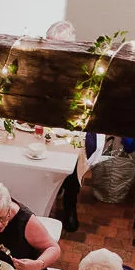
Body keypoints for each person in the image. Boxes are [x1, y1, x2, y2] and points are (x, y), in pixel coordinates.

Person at [45, 20, 82, 232]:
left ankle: (69, 205)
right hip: (45, 122)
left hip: (71, 127)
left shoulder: (80, 68)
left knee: (74, 159)